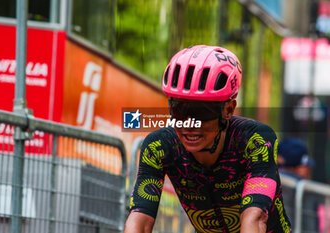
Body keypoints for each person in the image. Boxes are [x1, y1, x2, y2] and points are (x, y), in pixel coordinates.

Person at [124, 45, 291, 233]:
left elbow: (254, 217)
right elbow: (140, 219)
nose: (189, 124)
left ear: (228, 109)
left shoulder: (255, 140)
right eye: (178, 110)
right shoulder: (159, 147)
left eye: (201, 112)